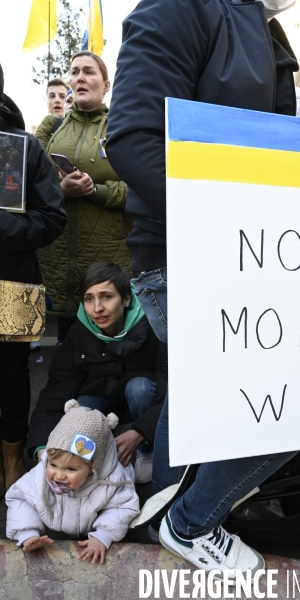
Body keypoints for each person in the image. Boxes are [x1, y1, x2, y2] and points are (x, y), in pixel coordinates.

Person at [107, 0, 299, 578]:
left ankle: (168, 532)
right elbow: (134, 138)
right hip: (190, 255)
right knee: (291, 398)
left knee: (192, 404)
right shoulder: (179, 5)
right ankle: (190, 523)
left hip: (250, 254)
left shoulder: (267, 27)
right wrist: (239, 225)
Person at [27, 261, 167, 484]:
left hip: (142, 398)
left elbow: (171, 390)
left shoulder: (153, 324)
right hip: (101, 392)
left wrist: (141, 432)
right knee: (77, 410)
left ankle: (146, 450)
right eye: (89, 298)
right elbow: (56, 390)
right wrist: (41, 447)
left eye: (107, 297)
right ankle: (94, 458)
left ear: (127, 298)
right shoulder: (79, 332)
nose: (97, 308)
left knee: (139, 387)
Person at [0, 64, 66, 495]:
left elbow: (53, 217)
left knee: (11, 375)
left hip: (17, 285)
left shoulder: (20, 147)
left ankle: (12, 459)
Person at [35, 51, 132, 336]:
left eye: (89, 71)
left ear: (106, 85)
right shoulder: (52, 126)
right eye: (74, 72)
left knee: (105, 354)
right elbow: (26, 183)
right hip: (56, 259)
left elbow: (140, 189)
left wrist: (95, 192)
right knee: (64, 352)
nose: (79, 77)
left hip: (106, 261)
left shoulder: (121, 128)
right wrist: (59, 190)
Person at [6, 400, 140, 563]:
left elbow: (123, 507)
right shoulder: (40, 474)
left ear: (92, 468)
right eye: (53, 465)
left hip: (92, 523)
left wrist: (103, 535)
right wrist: (27, 534)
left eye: (71, 469)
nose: (59, 476)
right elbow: (20, 499)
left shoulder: (111, 482)